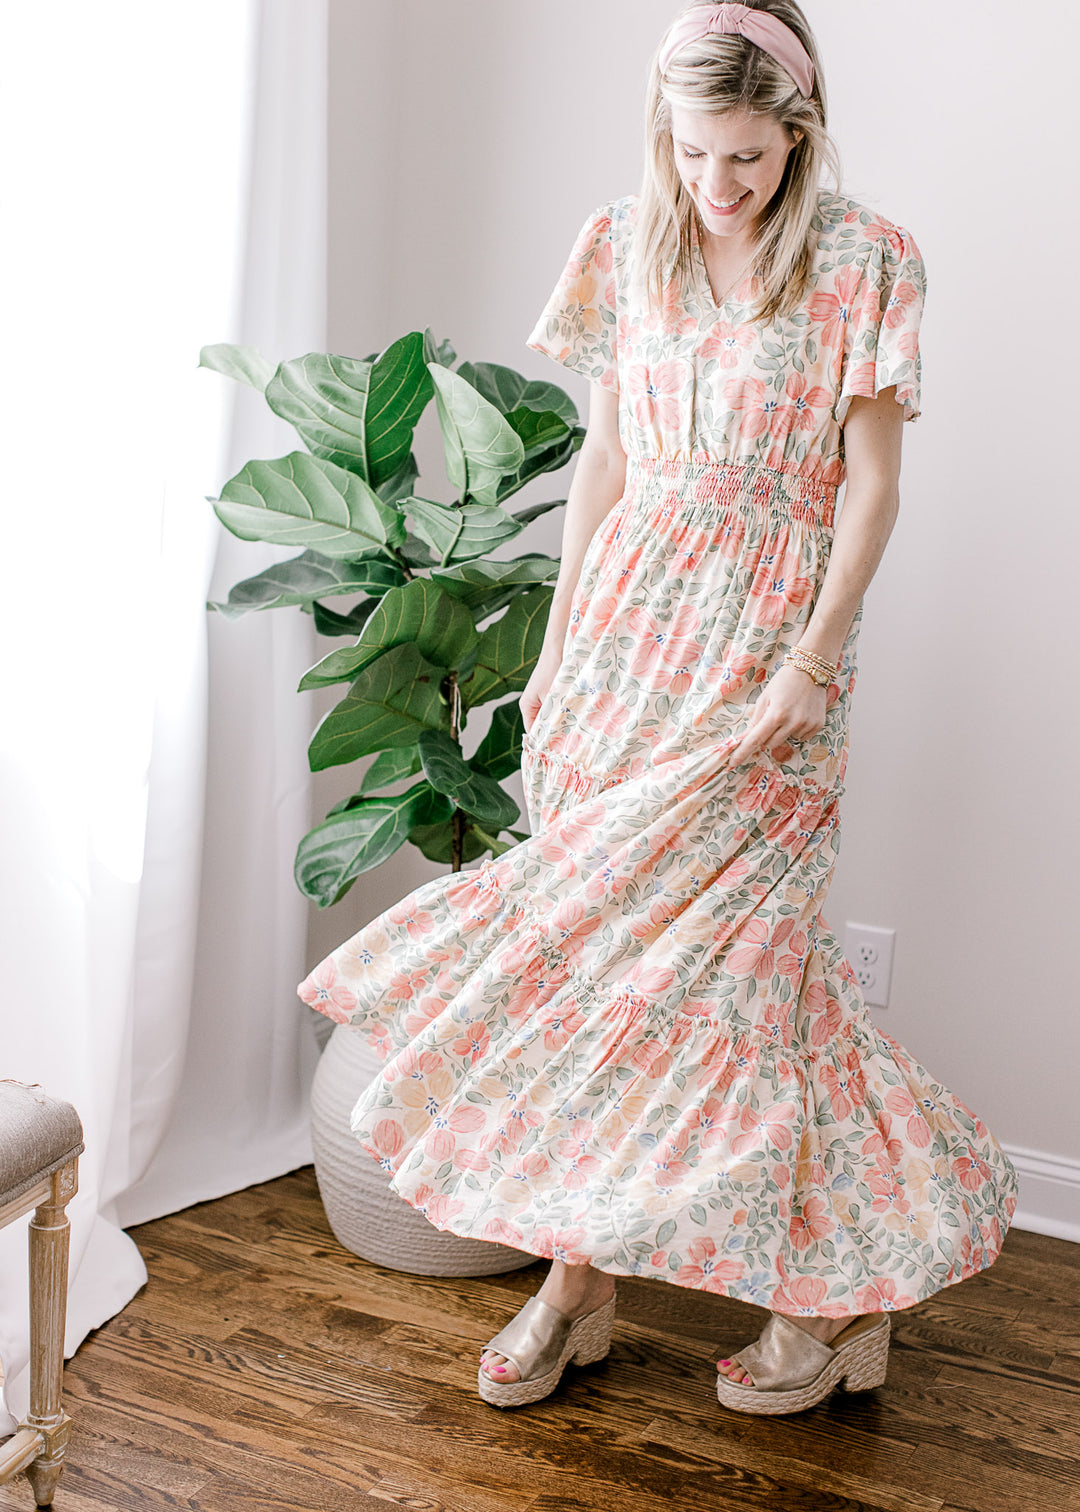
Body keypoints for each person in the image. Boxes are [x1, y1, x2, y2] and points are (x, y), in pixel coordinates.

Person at [299, 0, 1019, 1417]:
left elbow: (870, 488)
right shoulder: (623, 245)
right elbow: (610, 465)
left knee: (755, 982)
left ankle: (835, 1297)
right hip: (625, 644)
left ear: (797, 133)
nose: (720, 185)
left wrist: (811, 666)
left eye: (748, 156)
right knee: (588, 981)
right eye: (696, 152)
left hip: (769, 651)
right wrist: (560, 657)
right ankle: (577, 1285)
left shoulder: (868, 259)